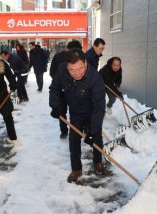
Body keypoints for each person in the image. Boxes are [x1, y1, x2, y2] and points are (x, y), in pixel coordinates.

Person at [49, 48, 106, 183]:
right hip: (75, 111)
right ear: (67, 66)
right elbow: (55, 88)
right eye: (72, 70)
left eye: (80, 69)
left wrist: (91, 132)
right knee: (74, 139)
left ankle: (97, 161)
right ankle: (76, 169)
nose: (76, 73)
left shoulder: (95, 79)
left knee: (96, 138)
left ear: (85, 63)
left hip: (92, 111)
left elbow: (99, 108)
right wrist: (55, 104)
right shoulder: (62, 69)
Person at [49, 40, 83, 139]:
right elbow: (52, 72)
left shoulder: (81, 59)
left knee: (75, 112)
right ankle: (64, 131)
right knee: (62, 111)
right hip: (62, 91)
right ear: (68, 49)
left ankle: (76, 132)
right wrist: (60, 81)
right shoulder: (59, 58)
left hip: (76, 91)